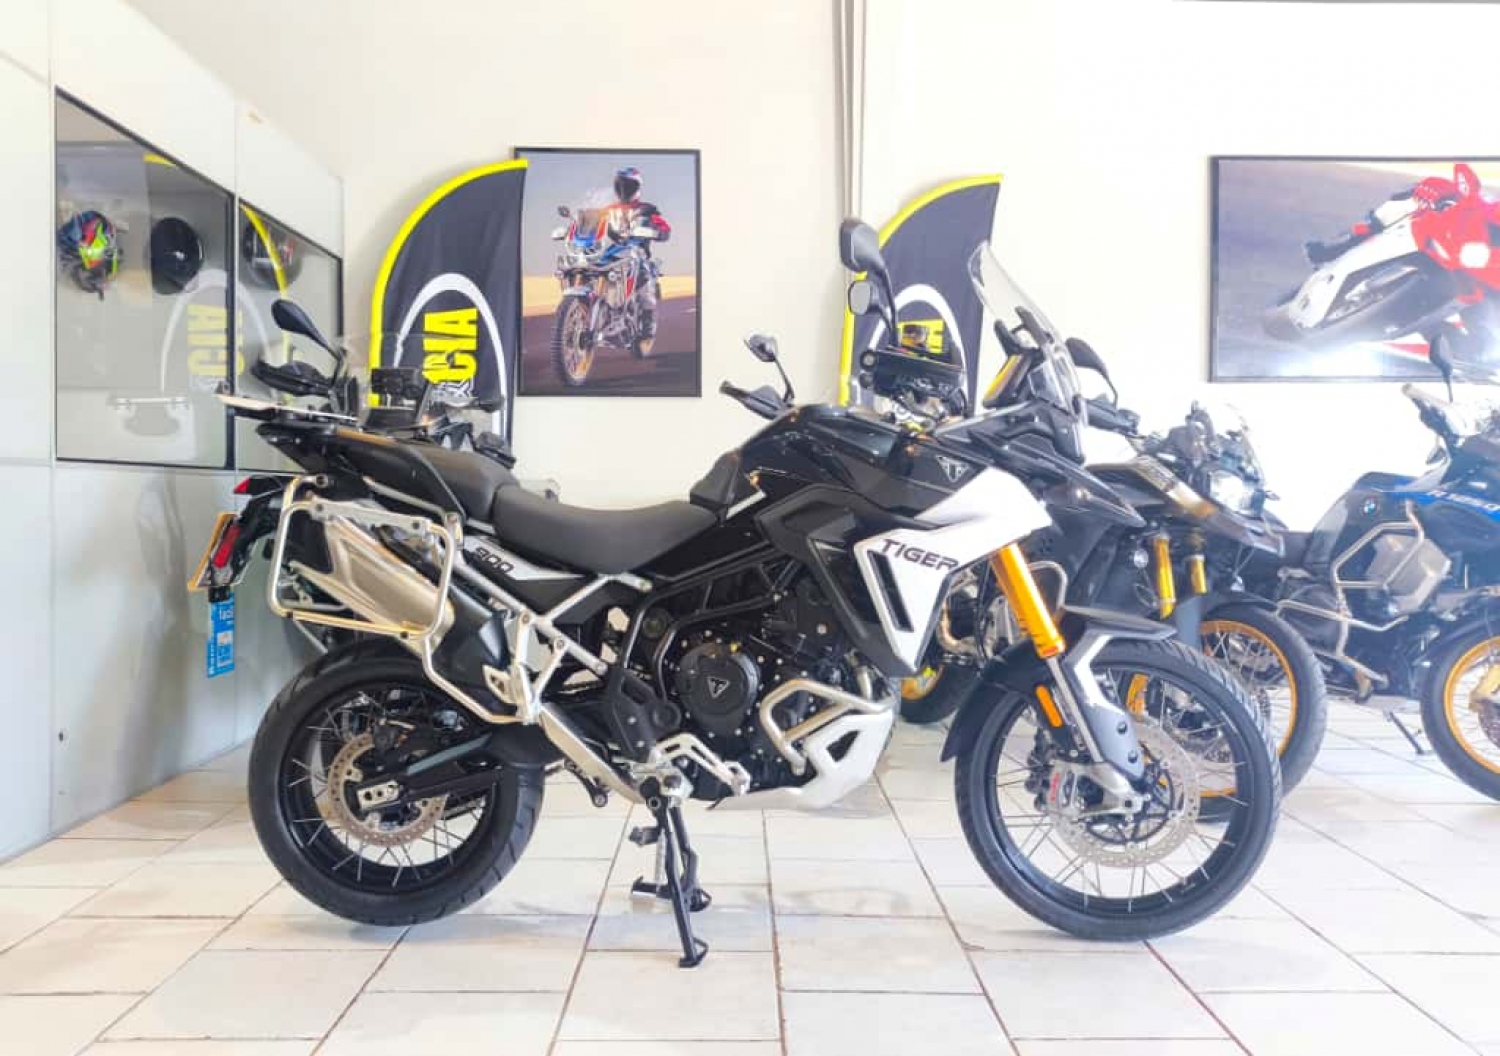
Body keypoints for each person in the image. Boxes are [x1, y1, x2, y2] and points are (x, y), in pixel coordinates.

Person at [1304, 174, 1461, 265]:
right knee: (1374, 225)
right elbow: (1421, 188)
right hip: (1413, 226)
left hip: (1446, 249)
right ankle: (1330, 251)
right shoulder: (1453, 191)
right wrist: (1428, 191)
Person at [607, 166, 671, 347]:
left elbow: (664, 228)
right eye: (620, 185)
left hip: (638, 254)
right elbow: (593, 221)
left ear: (636, 187)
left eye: (627, 185)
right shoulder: (610, 209)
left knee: (645, 286)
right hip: (613, 253)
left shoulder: (647, 209)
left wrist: (658, 232)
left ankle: (648, 327)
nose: (623, 189)